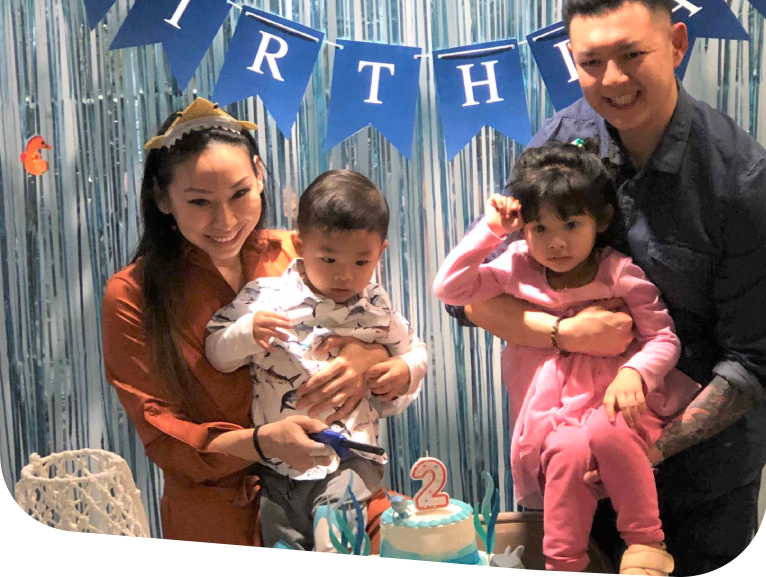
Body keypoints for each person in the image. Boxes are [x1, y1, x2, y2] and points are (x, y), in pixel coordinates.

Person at [445, 0, 766, 576]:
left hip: (700, 484)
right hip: (570, 463)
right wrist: (561, 335)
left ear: (676, 44)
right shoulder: (562, 142)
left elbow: (755, 363)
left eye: (633, 54)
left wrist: (638, 448)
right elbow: (472, 299)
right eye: (591, 61)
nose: (612, 79)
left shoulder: (743, 182)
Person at [102, 98, 427, 546]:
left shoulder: (305, 254)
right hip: (220, 516)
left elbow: (391, 336)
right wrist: (261, 442)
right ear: (162, 197)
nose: (227, 221)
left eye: (240, 193)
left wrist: (366, 359)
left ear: (259, 173)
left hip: (339, 492)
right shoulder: (133, 295)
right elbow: (164, 434)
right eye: (199, 201)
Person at [435, 140, 700, 574]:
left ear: (600, 220)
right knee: (565, 451)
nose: (556, 243)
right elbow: (450, 290)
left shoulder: (619, 274)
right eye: (540, 229)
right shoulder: (517, 266)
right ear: (524, 230)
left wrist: (635, 373)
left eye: (571, 225)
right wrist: (491, 232)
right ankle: (562, 562)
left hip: (616, 403)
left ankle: (646, 543)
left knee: (607, 429)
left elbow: (664, 340)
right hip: (552, 415)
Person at [205, 169, 427, 552]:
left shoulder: (376, 306)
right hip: (279, 463)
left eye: (362, 262)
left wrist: (404, 369)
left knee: (333, 533)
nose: (345, 274)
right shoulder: (264, 296)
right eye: (328, 258)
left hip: (351, 455)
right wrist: (246, 333)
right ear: (299, 243)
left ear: (380, 252)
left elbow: (415, 351)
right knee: (282, 539)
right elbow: (215, 354)